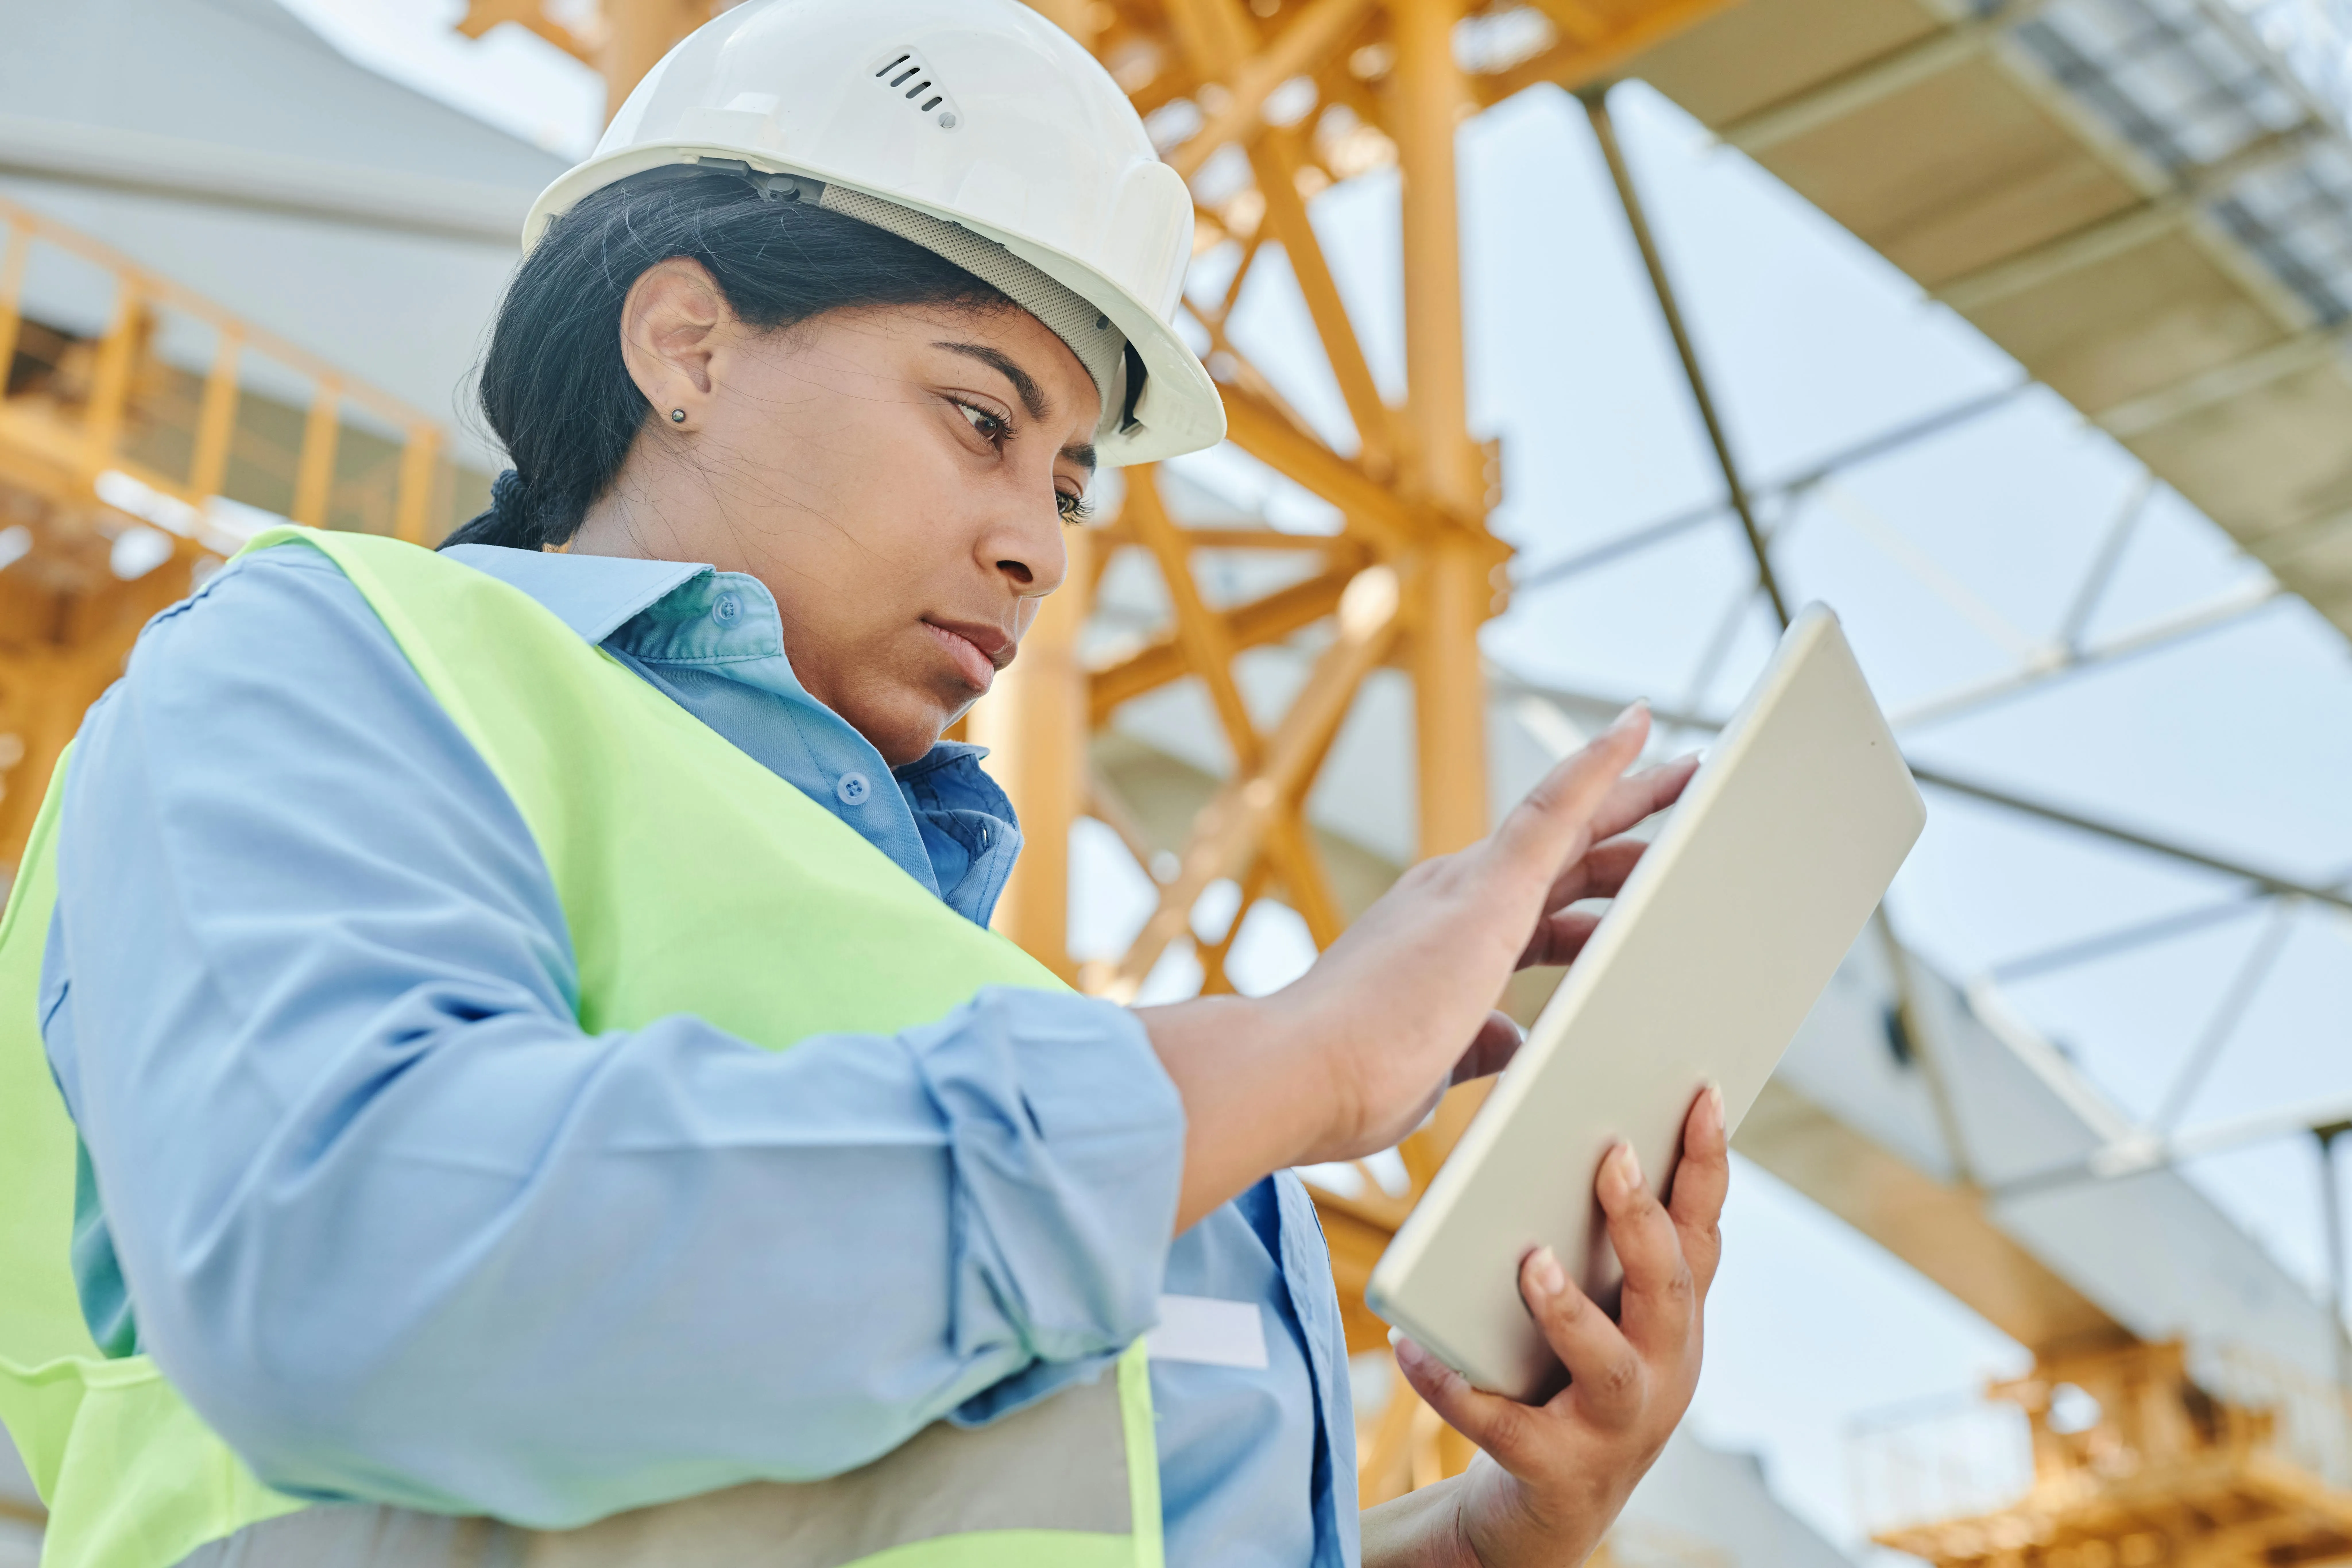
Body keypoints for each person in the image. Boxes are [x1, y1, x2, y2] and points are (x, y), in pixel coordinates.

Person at [0, 2, 1728, 1565]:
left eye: (1069, 486)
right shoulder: (330, 663)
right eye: (983, 421)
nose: (1036, 546)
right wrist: (1298, 1057)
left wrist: (1502, 1537)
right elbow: (358, 1263)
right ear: (685, 347)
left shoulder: (989, 1002)